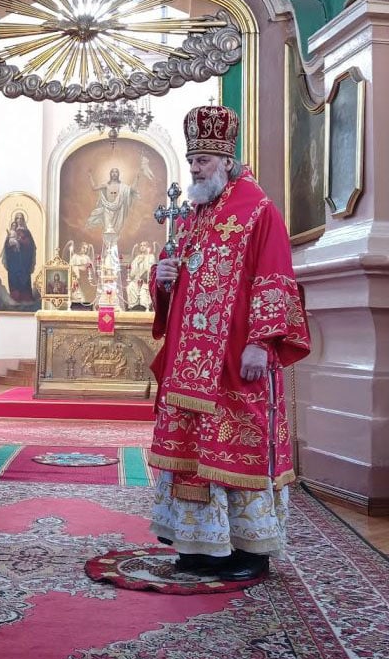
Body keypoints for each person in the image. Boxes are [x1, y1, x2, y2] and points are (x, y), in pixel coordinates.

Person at [148, 105, 311, 582]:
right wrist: (161, 279)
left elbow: (275, 277)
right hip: (189, 363)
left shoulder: (258, 209)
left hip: (235, 359)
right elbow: (175, 275)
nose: (194, 168)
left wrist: (261, 342)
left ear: (225, 158)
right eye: (191, 159)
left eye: (202, 160)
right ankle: (199, 545)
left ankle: (249, 550)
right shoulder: (196, 214)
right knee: (194, 453)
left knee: (236, 450)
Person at [1, 211, 37, 303]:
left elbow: (31, 246)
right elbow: (6, 246)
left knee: (24, 278)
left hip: (24, 261)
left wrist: (22, 242)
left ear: (24, 220)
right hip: (14, 261)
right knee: (14, 278)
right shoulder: (12, 231)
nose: (19, 220)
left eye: (21, 218)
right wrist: (10, 245)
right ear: (15, 220)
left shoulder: (27, 232)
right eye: (17, 218)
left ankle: (26, 299)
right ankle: (15, 299)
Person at [126, 241, 157, 311]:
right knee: (130, 286)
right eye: (141, 245)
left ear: (148, 247)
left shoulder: (151, 257)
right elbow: (132, 274)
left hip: (145, 281)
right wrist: (137, 264)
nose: (142, 247)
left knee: (143, 291)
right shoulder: (137, 258)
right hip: (136, 281)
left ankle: (145, 307)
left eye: (144, 245)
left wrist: (145, 261)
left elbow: (150, 270)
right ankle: (133, 307)